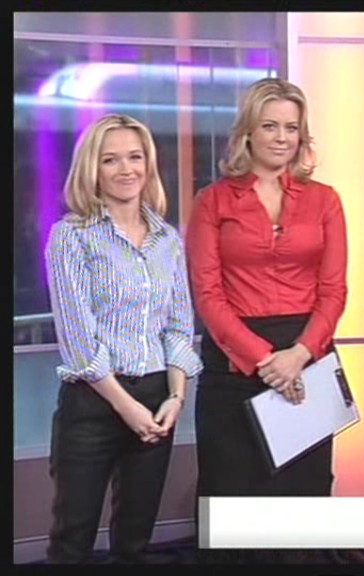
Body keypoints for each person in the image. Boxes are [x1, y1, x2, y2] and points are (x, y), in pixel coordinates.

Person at [185, 78, 348, 562]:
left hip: (307, 360)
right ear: (248, 133)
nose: (281, 138)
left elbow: (334, 291)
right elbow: (208, 295)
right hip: (234, 363)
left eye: (291, 128)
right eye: (270, 126)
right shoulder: (212, 201)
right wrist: (264, 360)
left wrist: (298, 356)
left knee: (302, 502)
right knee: (235, 503)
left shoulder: (325, 200)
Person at [44, 114, 203, 563]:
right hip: (94, 403)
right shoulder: (71, 237)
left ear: (148, 164)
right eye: (110, 160)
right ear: (92, 169)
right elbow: (78, 341)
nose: (126, 169)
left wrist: (176, 397)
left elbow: (178, 327)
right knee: (72, 539)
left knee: (135, 541)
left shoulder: (167, 239)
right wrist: (126, 407)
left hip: (157, 397)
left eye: (135, 157)